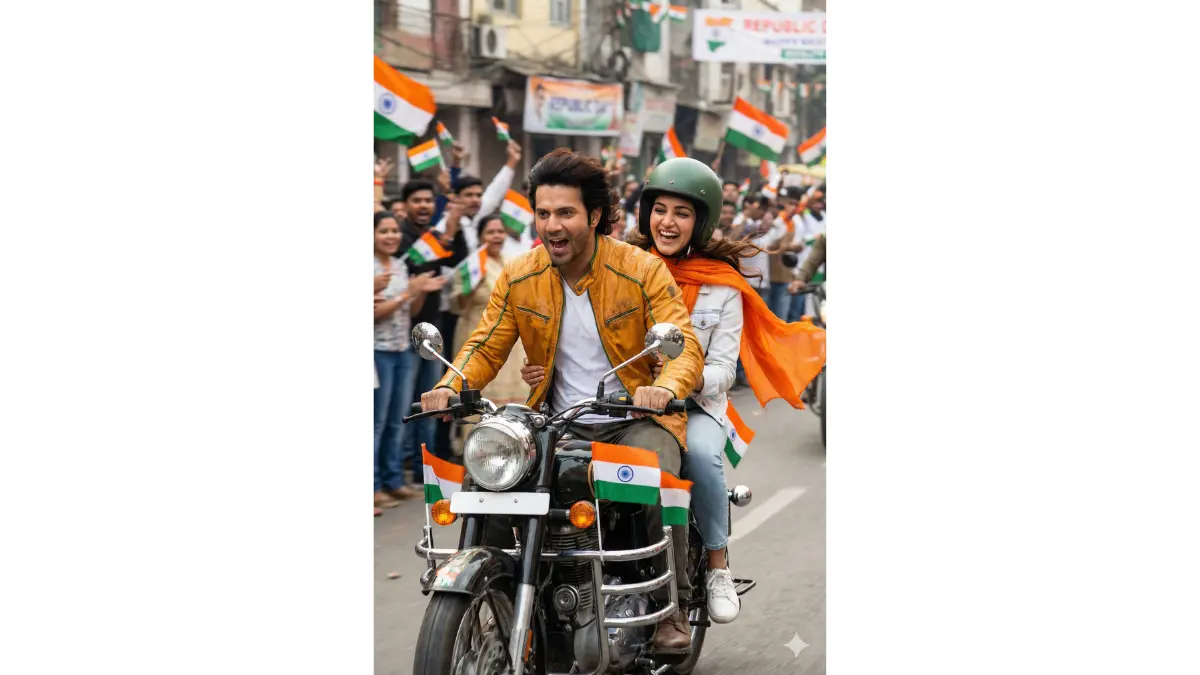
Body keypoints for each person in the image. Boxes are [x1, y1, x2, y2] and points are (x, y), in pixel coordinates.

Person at [419, 148, 706, 650]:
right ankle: (490, 592)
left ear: (594, 217)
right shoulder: (520, 274)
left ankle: (670, 606)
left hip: (631, 417)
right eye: (544, 213)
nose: (552, 225)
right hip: (555, 421)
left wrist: (666, 386)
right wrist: (451, 383)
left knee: (655, 470)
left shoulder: (640, 270)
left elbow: (684, 344)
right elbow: (486, 343)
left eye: (565, 213)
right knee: (487, 472)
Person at [523, 158, 766, 624]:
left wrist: (683, 379)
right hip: (619, 405)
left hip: (692, 407)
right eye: (659, 210)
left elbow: (723, 369)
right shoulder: (619, 264)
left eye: (681, 213)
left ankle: (711, 566)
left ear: (702, 221)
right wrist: (545, 365)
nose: (667, 222)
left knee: (697, 457)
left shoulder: (722, 288)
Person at [374, 211, 442, 510]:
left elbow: (411, 312)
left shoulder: (400, 265)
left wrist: (418, 294)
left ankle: (393, 482)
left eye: (393, 231)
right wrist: (405, 295)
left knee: (396, 420)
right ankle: (373, 485)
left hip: (403, 348)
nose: (390, 236)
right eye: (383, 231)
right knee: (376, 422)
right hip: (377, 350)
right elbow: (374, 313)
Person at [398, 179, 460, 469]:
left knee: (431, 399)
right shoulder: (400, 237)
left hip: (431, 328)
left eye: (427, 201)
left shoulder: (432, 236)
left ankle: (427, 463)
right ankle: (407, 461)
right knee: (409, 403)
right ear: (406, 205)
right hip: (406, 330)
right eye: (417, 200)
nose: (423, 206)